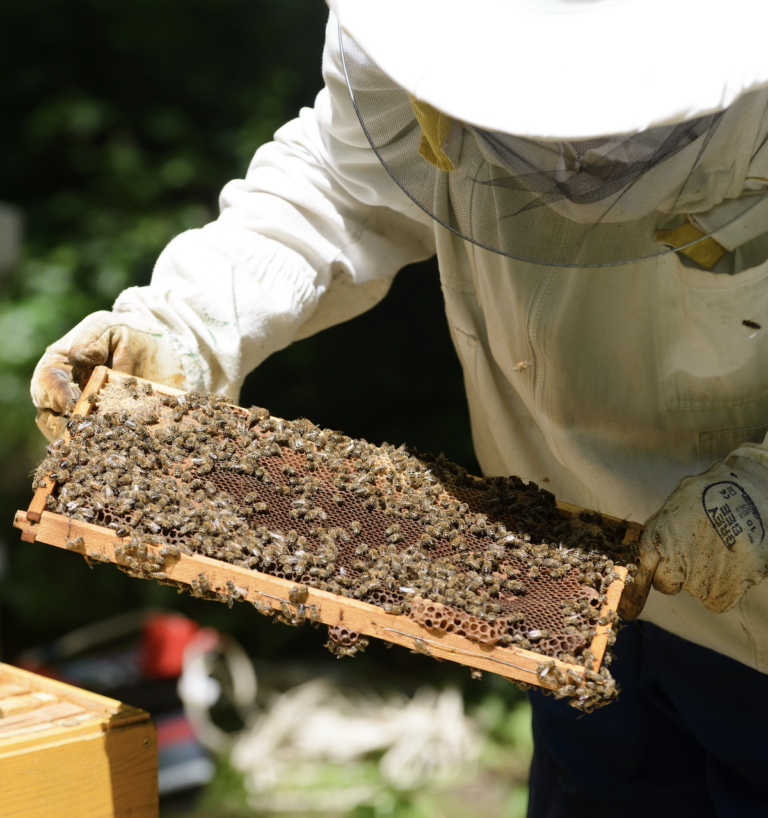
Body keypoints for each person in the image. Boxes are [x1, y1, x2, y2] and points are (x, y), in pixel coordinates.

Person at [31, 2, 768, 813]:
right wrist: (189, 322)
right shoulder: (426, 30)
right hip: (561, 588)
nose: (561, 162)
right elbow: (343, 182)